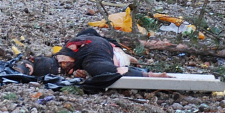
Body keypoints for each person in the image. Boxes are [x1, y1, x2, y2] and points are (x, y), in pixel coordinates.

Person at [14, 29, 169, 78]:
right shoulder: (71, 44)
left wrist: (149, 75)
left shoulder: (92, 61)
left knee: (101, 70)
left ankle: (142, 69)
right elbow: (90, 31)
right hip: (105, 45)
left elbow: (113, 71)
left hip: (110, 54)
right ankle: (127, 57)